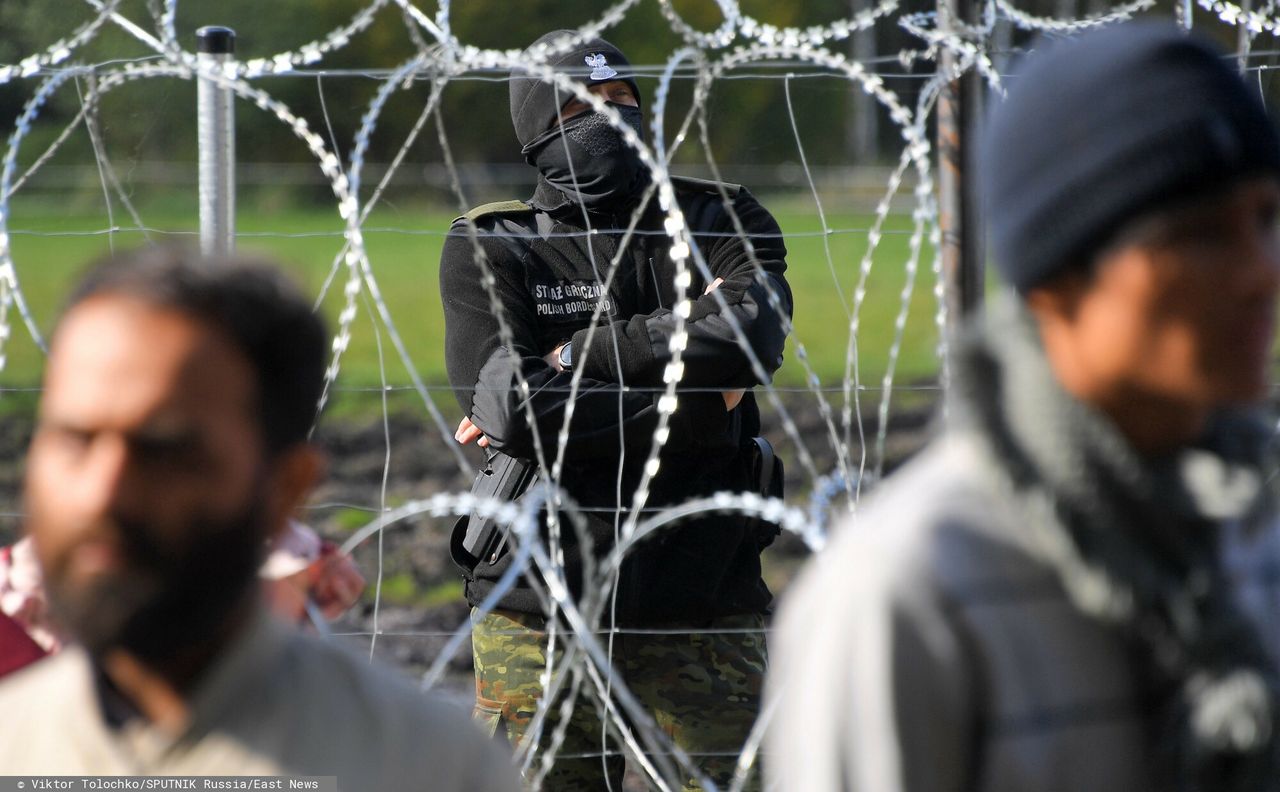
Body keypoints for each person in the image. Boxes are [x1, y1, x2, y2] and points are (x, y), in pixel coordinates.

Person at [766, 22, 1280, 792]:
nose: (1259, 274)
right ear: (1054, 276)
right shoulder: (904, 595)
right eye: (1199, 237)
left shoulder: (1255, 534)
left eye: (1269, 221)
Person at [0, 246, 520, 792]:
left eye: (165, 451)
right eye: (74, 440)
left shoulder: (421, 767)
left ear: (286, 488)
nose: (100, 494)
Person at [440, 30, 792, 791]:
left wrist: (573, 358)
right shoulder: (494, 244)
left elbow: (752, 335)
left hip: (704, 585)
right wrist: (703, 411)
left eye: (620, 100)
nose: (607, 121)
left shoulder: (719, 217)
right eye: (578, 107)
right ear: (535, 130)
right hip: (538, 601)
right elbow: (513, 407)